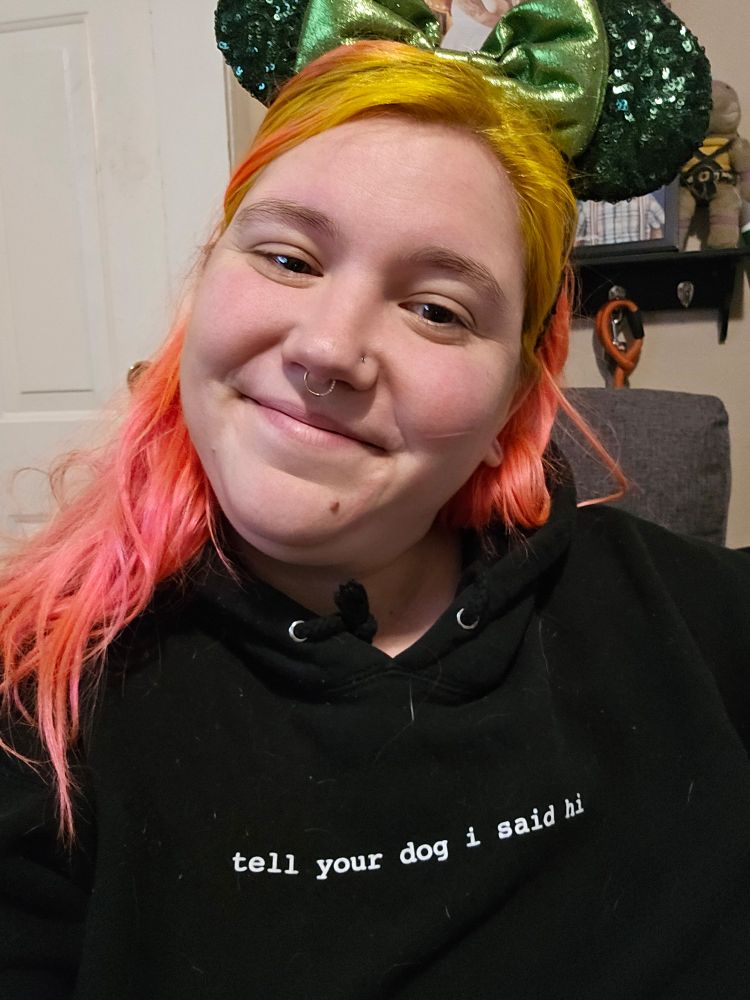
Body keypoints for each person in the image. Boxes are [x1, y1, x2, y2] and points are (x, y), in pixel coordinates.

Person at [1, 14, 748, 1000]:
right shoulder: (39, 713)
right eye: (289, 259)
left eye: (437, 308)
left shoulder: (703, 625)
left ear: (512, 405)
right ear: (204, 288)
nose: (326, 348)